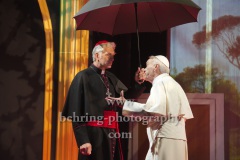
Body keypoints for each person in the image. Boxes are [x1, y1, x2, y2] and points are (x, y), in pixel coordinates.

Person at [61, 40, 144, 160]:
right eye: (108, 55)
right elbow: (75, 113)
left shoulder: (111, 77)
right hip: (93, 135)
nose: (112, 58)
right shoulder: (83, 77)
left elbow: (127, 97)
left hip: (111, 135)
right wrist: (83, 140)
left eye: (113, 56)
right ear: (96, 55)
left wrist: (138, 83)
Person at [111, 55, 194, 160]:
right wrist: (141, 81)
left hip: (164, 139)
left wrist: (125, 104)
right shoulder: (173, 84)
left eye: (147, 65)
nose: (144, 69)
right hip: (178, 140)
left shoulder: (160, 84)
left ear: (156, 67)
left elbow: (153, 112)